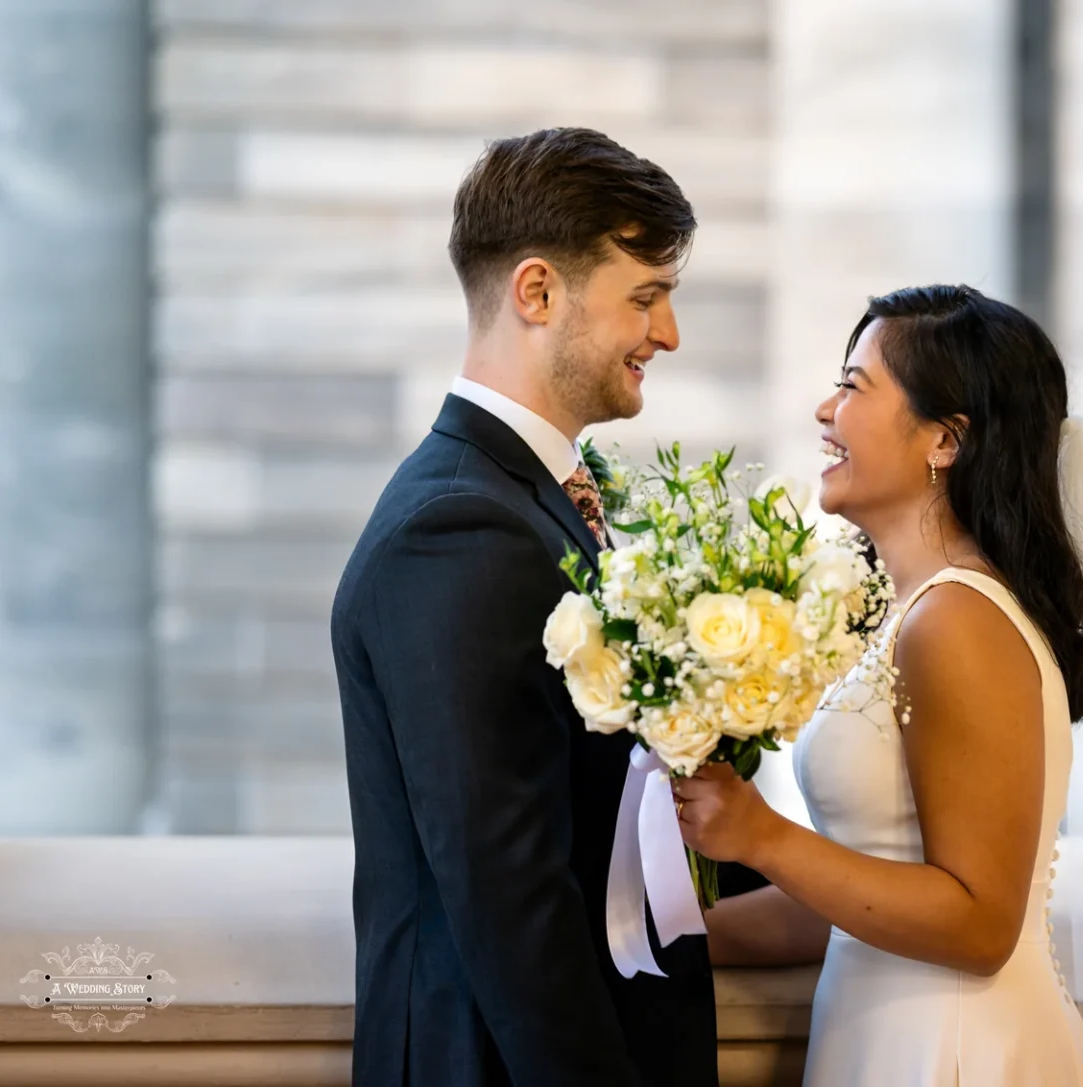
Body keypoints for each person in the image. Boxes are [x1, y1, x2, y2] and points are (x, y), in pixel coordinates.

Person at [674, 285, 1083, 1086]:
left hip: (957, 1049)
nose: (826, 408)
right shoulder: (909, 613)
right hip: (885, 1039)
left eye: (855, 386)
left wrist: (760, 836)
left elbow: (979, 920)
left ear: (944, 439)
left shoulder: (959, 618)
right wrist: (668, 931)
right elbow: (849, 904)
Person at [331, 128, 718, 1086]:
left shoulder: (527, 496)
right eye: (645, 297)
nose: (667, 334)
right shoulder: (459, 526)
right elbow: (507, 893)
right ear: (537, 293)